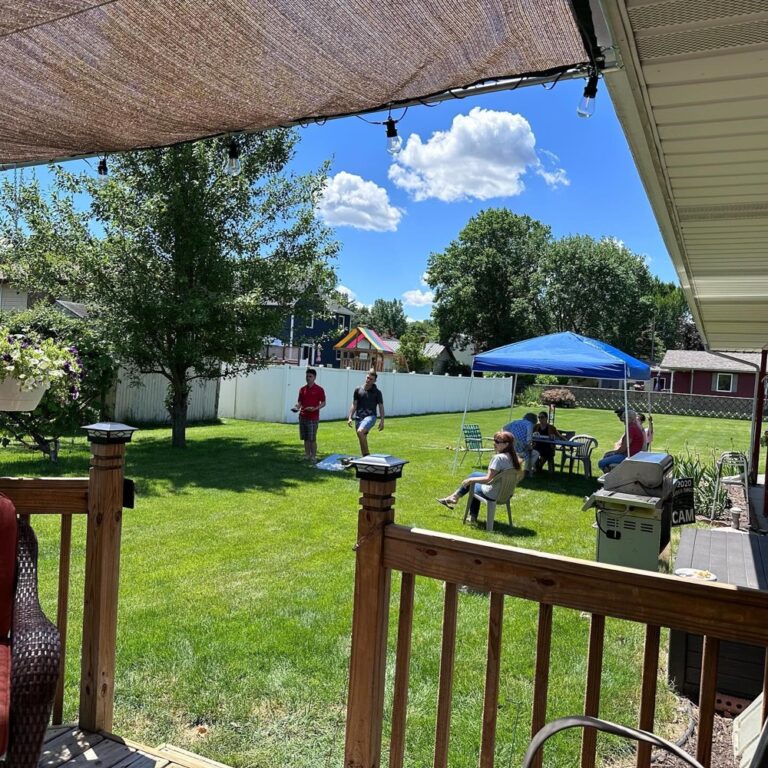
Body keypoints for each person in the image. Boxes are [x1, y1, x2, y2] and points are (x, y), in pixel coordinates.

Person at [436, 431, 523, 524]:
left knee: (473, 483)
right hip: (507, 493)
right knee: (475, 474)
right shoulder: (515, 458)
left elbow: (488, 479)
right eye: (494, 440)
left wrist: (470, 480)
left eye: (497, 442)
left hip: (494, 494)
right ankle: (454, 497)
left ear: (506, 444)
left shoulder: (499, 458)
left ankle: (471, 515)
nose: (494, 443)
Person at [347, 369, 385, 456]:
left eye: (371, 379)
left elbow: (381, 407)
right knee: (362, 437)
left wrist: (382, 421)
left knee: (360, 432)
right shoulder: (358, 389)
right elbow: (354, 404)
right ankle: (365, 458)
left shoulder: (377, 392)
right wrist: (350, 417)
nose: (368, 380)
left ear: (374, 381)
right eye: (368, 378)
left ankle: (367, 455)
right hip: (359, 417)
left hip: (370, 417)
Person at [292, 368, 326, 463]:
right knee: (305, 438)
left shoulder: (319, 389)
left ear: (314, 377)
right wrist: (296, 407)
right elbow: (300, 402)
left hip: (313, 417)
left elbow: (323, 403)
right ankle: (307, 455)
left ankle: (313, 457)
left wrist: (314, 408)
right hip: (303, 416)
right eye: (307, 376)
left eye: (310, 376)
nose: (308, 378)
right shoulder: (302, 389)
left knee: (312, 438)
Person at [598, 407, 645, 473]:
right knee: (607, 455)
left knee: (601, 463)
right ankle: (612, 476)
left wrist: (615, 453)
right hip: (632, 454)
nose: (622, 419)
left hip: (629, 456)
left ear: (630, 419)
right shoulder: (634, 427)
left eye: (624, 418)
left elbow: (624, 447)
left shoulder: (631, 429)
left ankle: (611, 478)